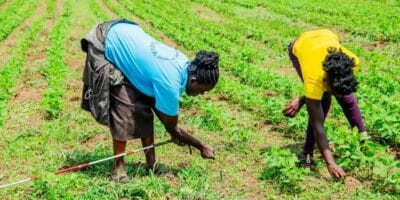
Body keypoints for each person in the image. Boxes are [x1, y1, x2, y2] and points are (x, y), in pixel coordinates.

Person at [81, 19, 219, 182]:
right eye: (203, 90)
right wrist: (201, 146)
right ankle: (118, 168)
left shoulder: (183, 64)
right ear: (194, 80)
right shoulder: (170, 83)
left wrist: (176, 133)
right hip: (106, 40)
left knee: (144, 105)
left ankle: (151, 165)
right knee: (125, 109)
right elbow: (172, 127)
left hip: (126, 32)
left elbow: (156, 108)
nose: (202, 94)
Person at [282, 29, 369, 179]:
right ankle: (307, 155)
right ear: (325, 81)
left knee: (347, 99)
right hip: (301, 45)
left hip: (329, 36)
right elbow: (318, 126)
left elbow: (347, 100)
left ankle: (364, 142)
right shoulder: (314, 78)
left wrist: (304, 99)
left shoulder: (352, 62)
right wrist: (331, 163)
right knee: (322, 103)